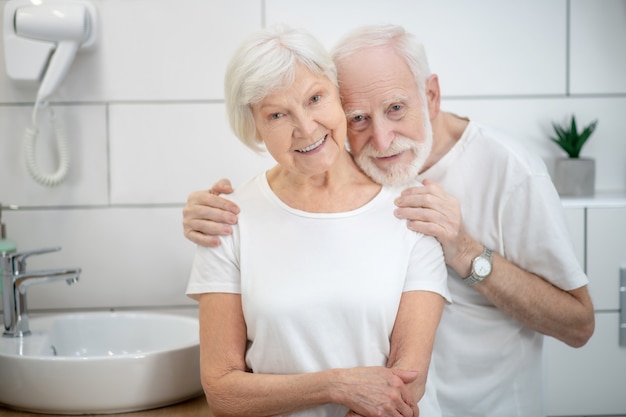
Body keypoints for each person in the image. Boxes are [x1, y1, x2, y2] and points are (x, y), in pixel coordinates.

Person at [183, 24, 595, 417]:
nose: (381, 140)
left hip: (490, 405)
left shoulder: (505, 174)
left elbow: (579, 325)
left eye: (396, 109)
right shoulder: (355, 176)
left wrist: (467, 251)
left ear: (431, 95)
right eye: (359, 117)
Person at [185, 24, 450, 417]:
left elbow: (410, 379)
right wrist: (336, 385)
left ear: (338, 95)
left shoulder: (408, 213)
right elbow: (223, 390)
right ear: (255, 126)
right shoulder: (227, 219)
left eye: (314, 98)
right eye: (277, 114)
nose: (306, 128)